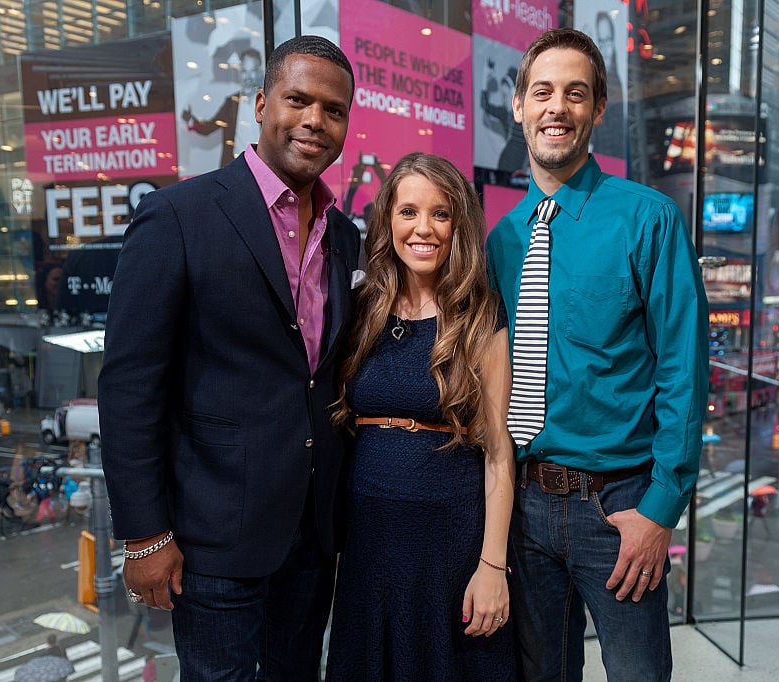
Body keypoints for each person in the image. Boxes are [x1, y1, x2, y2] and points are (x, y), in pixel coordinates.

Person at [98, 35, 361, 680]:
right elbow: (130, 386)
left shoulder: (345, 234)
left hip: (312, 536)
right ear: (261, 103)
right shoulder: (177, 215)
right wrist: (145, 534)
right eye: (298, 100)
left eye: (333, 110)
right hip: (211, 539)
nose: (314, 121)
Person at [485, 28, 709, 681]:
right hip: (524, 508)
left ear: (598, 109)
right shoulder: (501, 239)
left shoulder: (650, 220)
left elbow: (684, 370)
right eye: (542, 92)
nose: (557, 107)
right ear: (519, 106)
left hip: (619, 508)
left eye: (575, 93)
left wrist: (660, 510)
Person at [326, 153, 516, 680]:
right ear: (388, 220)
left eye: (441, 213)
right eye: (408, 211)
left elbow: (499, 453)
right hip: (368, 540)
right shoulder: (361, 308)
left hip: (450, 540)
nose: (423, 228)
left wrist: (492, 566)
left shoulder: (482, 314)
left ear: (459, 225)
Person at [182, 47, 264, 168]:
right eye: (244, 71)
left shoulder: (268, 101)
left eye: (252, 71)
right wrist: (190, 119)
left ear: (259, 72)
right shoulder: (231, 103)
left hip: (263, 165)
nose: (247, 77)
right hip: (237, 167)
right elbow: (208, 128)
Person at [588, 11, 625, 160]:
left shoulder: (617, 83)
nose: (605, 49)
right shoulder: (592, 82)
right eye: (601, 42)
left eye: (608, 41)